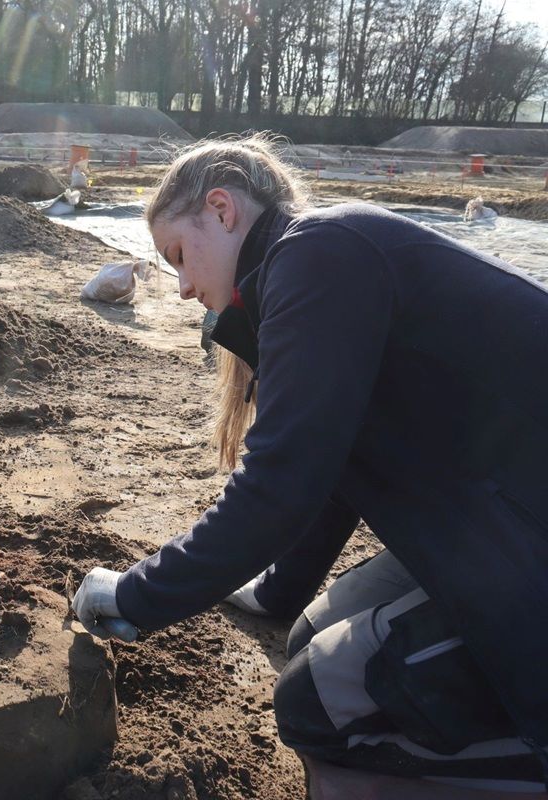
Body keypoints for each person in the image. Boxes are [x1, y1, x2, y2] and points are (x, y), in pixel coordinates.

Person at [69, 135, 548, 794]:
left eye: (178, 255)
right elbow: (332, 463)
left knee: (318, 700)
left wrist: (136, 593)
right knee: (311, 636)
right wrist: (275, 590)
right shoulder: (310, 264)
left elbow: (282, 481)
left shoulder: (319, 252)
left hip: (525, 535)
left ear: (221, 210)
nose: (181, 288)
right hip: (503, 517)